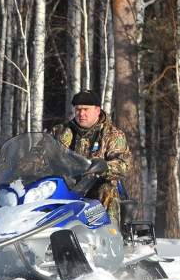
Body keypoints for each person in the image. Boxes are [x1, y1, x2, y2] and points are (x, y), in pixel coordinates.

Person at [46, 89, 131, 224]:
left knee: (106, 190)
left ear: (97, 110)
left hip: (94, 188)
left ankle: (109, 233)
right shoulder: (60, 131)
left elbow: (123, 165)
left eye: (86, 109)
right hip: (64, 187)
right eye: (78, 109)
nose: (81, 114)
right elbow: (40, 154)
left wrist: (104, 167)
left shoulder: (112, 134)